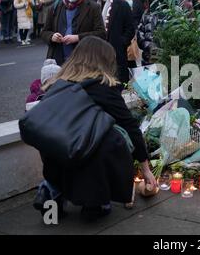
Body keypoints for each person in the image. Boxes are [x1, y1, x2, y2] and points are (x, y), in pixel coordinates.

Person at [33, 36, 157, 220]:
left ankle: (51, 191)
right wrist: (146, 169)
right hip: (85, 156)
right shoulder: (101, 86)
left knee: (72, 143)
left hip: (54, 154)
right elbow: (130, 126)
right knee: (114, 138)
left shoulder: (57, 84)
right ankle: (96, 203)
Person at [41, 0, 106, 65]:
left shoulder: (93, 7)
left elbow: (101, 33)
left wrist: (78, 38)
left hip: (83, 61)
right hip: (59, 60)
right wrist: (52, 36)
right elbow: (44, 32)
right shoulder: (55, 7)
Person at [93, 0, 136, 86]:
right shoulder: (94, 5)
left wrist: (122, 42)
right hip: (97, 52)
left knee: (117, 83)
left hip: (117, 53)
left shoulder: (121, 5)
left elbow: (130, 27)